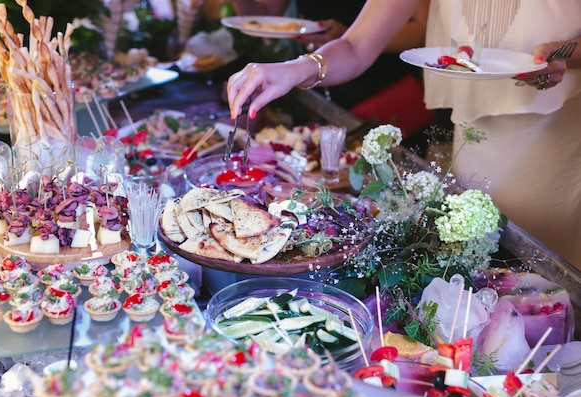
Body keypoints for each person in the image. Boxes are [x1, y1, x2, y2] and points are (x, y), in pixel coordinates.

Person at [226, 0, 581, 270]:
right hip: (472, 127)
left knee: (548, 272)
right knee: (478, 256)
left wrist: (567, 54)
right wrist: (292, 70)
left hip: (550, 134)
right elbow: (355, 45)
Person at [227, 0, 430, 109]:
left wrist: (344, 33)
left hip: (385, 87)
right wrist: (292, 70)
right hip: (330, 77)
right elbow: (354, 46)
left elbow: (423, 30)